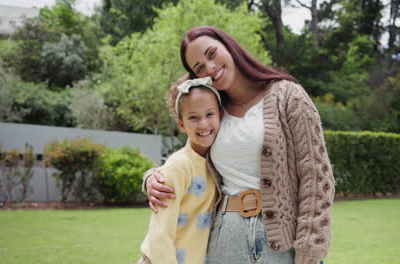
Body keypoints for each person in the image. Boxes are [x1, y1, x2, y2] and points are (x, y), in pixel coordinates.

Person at [143, 26, 335, 264]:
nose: (210, 67)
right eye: (199, 67)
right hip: (223, 240)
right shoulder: (211, 112)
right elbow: (190, 160)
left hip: (282, 244)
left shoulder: (288, 96)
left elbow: (316, 178)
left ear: (230, 47)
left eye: (212, 54)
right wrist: (155, 177)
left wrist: (310, 250)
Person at [137, 75, 222, 264]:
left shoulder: (217, 162)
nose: (203, 124)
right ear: (181, 124)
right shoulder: (178, 167)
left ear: (220, 116)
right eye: (193, 117)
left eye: (210, 114)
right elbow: (160, 235)